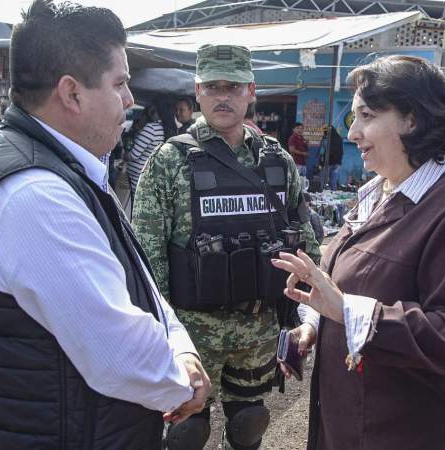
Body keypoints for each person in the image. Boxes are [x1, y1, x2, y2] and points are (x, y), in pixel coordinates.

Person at [0, 1, 209, 448]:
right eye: (121, 83)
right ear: (72, 93)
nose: (130, 100)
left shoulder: (70, 170)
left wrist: (180, 346)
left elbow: (139, 286)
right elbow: (120, 354)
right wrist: (185, 382)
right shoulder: (33, 194)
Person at [272, 55, 445, 450]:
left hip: (412, 426)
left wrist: (345, 309)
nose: (353, 133)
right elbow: (345, 280)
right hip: (353, 415)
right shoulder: (379, 191)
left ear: (411, 120)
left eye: (367, 116)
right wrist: (314, 323)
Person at [132, 44, 320, 450]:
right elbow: (147, 259)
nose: (223, 95)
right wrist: (163, 337)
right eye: (212, 86)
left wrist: (305, 312)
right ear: (197, 91)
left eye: (233, 86)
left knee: (249, 424)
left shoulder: (277, 161)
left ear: (251, 91)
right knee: (186, 431)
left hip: (258, 330)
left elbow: (305, 242)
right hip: (192, 334)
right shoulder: (169, 160)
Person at [125, 104, 164, 199]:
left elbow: (134, 155)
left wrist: (124, 155)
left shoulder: (151, 128)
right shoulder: (159, 127)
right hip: (144, 176)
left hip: (138, 178)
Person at [320, 125, 343, 190]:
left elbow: (322, 151)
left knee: (324, 180)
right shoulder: (339, 138)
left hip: (328, 162)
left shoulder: (327, 139)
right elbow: (341, 151)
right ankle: (333, 193)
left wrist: (321, 162)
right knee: (333, 181)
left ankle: (323, 193)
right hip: (337, 163)